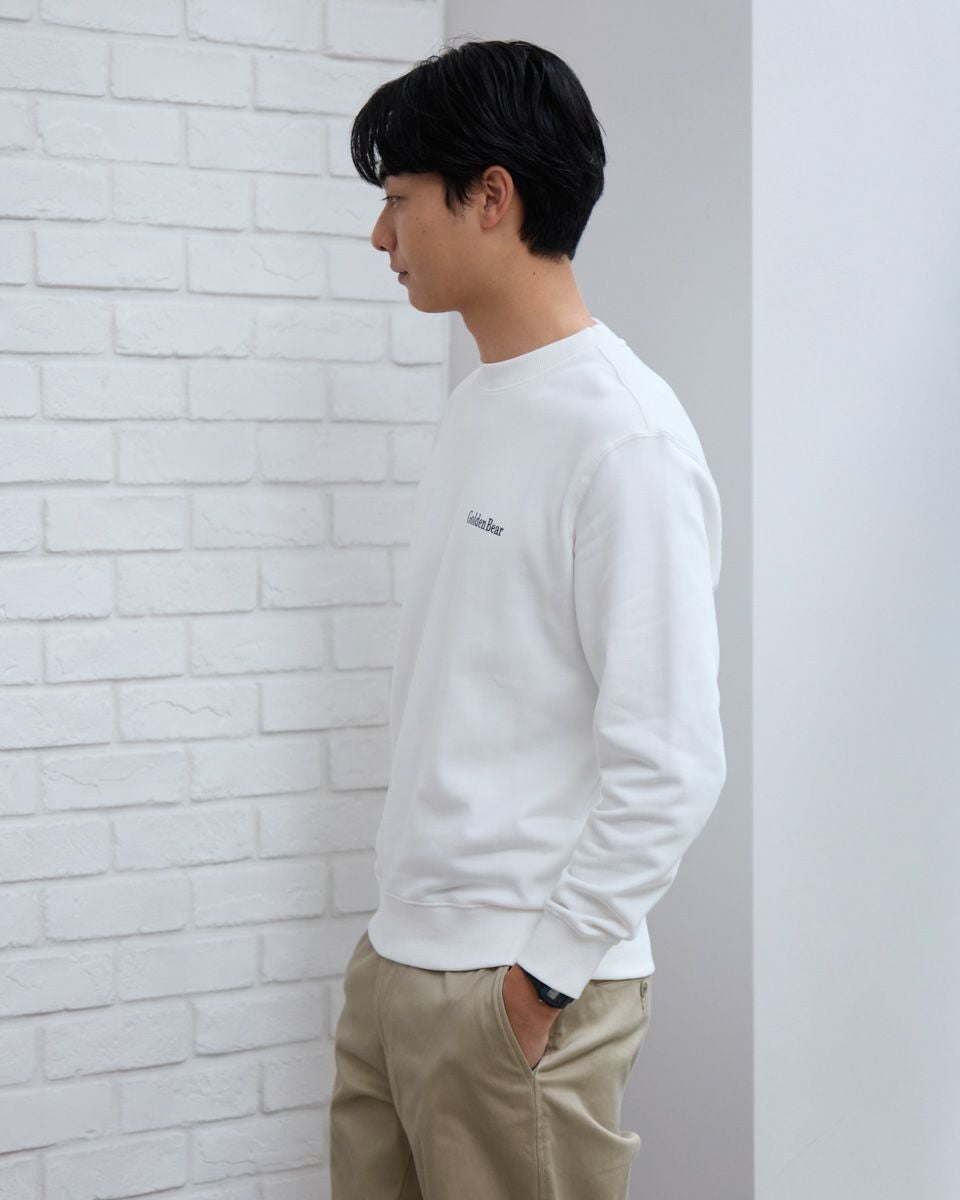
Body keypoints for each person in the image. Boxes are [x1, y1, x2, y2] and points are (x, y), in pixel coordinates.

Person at [330, 37, 727, 1200]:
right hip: (399, 963)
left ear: (491, 197)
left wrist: (542, 981)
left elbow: (673, 759)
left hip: (512, 989)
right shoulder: (476, 407)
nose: (382, 235)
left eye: (401, 198)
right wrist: (394, 952)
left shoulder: (625, 438)